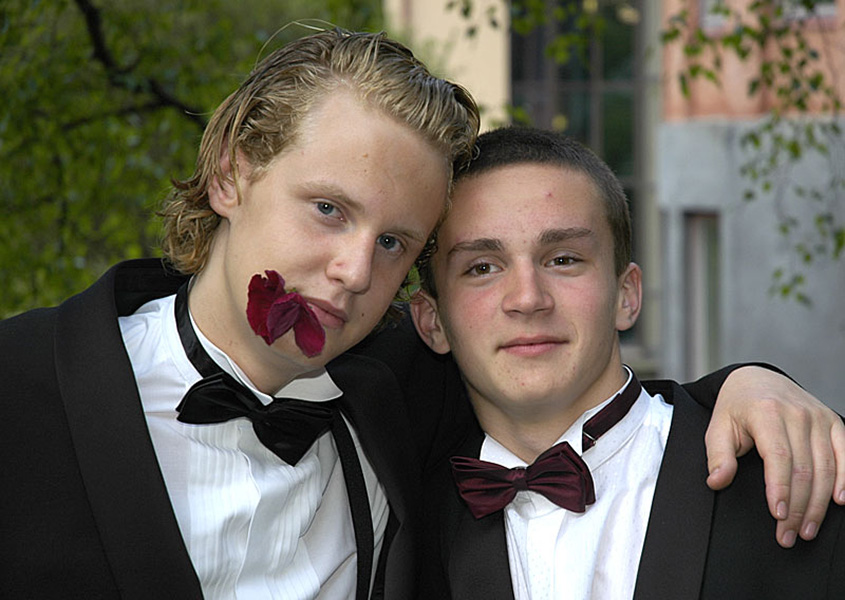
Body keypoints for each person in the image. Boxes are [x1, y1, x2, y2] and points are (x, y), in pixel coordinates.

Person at [0, 27, 840, 600]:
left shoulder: (394, 402)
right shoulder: (24, 387)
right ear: (230, 173)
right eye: (327, 209)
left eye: (394, 242)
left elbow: (565, 381)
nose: (352, 271)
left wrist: (749, 383)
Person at [410, 126, 845, 598]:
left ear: (627, 296)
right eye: (482, 268)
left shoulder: (796, 474)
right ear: (433, 322)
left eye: (562, 259)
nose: (528, 298)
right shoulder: (403, 523)